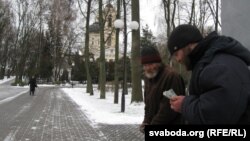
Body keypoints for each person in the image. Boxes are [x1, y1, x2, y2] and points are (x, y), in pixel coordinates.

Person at [167, 24, 250, 124]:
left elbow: (216, 116)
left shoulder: (218, 66)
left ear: (188, 45)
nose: (178, 60)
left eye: (176, 54)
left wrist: (184, 105)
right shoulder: (207, 63)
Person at [139, 45, 186, 133]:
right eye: (145, 65)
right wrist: (146, 121)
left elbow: (168, 109)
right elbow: (148, 105)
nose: (148, 68)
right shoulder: (149, 77)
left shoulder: (171, 77)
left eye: (151, 64)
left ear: (158, 63)